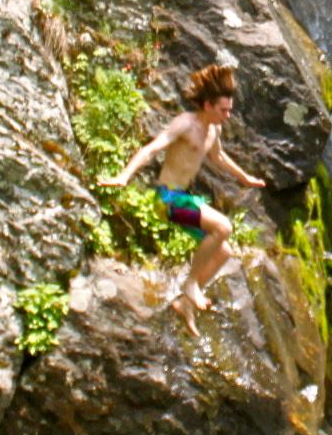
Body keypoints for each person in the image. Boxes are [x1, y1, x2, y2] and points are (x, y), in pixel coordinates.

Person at [102, 62, 266, 334]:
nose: (228, 115)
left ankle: (184, 304)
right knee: (224, 227)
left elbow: (218, 158)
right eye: (223, 110)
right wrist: (124, 176)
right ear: (207, 105)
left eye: (229, 110)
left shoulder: (214, 131)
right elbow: (151, 149)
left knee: (223, 251)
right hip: (166, 200)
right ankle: (190, 284)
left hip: (185, 201)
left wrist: (245, 178)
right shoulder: (185, 124)